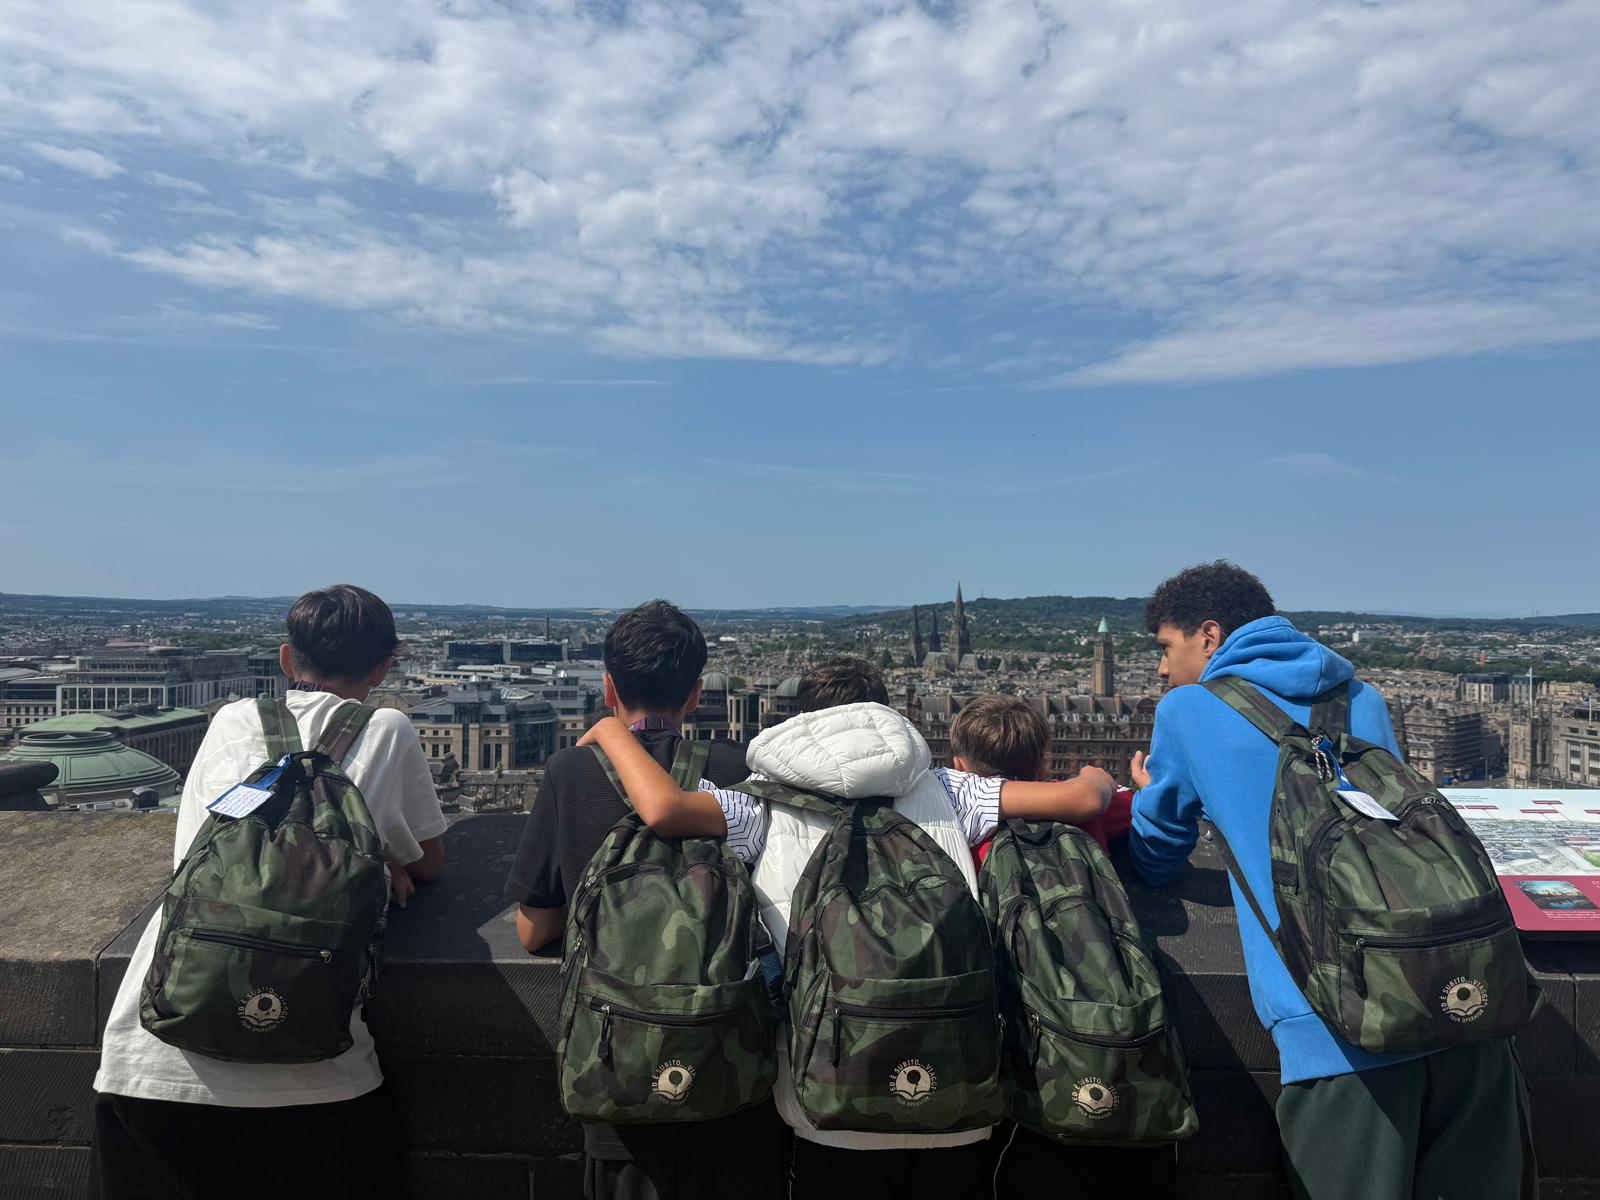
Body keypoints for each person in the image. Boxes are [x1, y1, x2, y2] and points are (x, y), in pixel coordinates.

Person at [583, 656, 1114, 1200]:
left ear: (802, 723)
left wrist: (611, 732)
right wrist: (1098, 777)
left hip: (825, 1101)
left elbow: (663, 808)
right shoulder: (951, 790)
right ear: (883, 715)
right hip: (957, 1095)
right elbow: (1084, 798)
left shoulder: (758, 803)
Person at [1127, 561, 1536, 1200]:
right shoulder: (1360, 697)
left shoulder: (1189, 710)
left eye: (1165, 648)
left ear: (1209, 636)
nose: (1159, 668)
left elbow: (1157, 853)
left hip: (1342, 1034)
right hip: (1463, 1006)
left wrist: (1151, 795)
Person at [90, 585, 447, 1200]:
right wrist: (380, 860)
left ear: (287, 660)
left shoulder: (231, 719)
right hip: (316, 1077)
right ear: (387, 666)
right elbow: (432, 859)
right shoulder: (388, 726)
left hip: (152, 1063)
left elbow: (192, 853)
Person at [503, 599, 786, 1200]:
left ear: (609, 687)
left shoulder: (571, 771)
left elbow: (532, 930)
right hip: (738, 1072)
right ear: (694, 695)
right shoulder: (743, 768)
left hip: (621, 1084)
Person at [945, 694, 1176, 1193]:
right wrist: (1132, 787)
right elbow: (1135, 809)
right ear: (1045, 759)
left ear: (960, 766)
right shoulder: (1079, 808)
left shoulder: (960, 817)